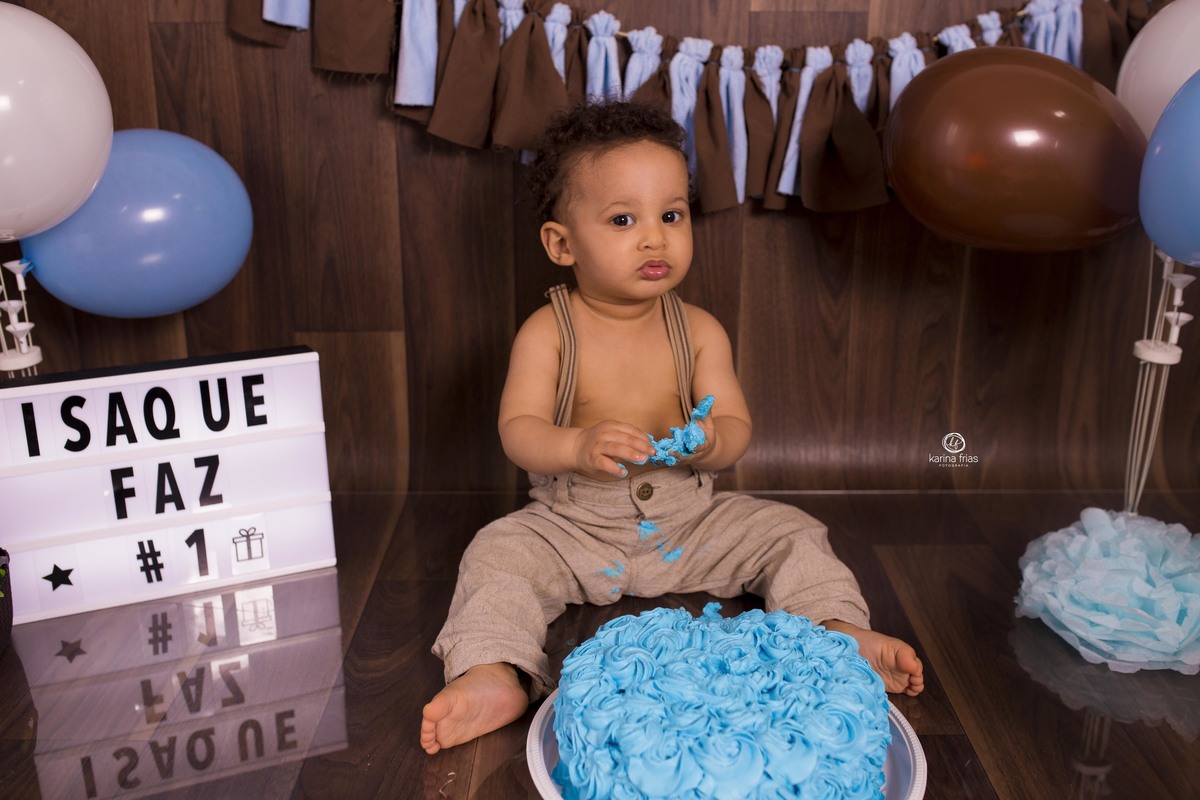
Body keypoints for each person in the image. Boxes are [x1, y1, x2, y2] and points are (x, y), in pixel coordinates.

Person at [420, 100, 924, 755]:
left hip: (690, 524)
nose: (654, 237)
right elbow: (518, 429)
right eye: (623, 219)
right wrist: (574, 444)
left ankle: (834, 630)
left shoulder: (699, 330)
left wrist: (716, 441)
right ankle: (495, 672)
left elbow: (735, 422)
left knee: (792, 531)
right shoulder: (549, 332)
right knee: (496, 556)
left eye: (672, 215)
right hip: (573, 527)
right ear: (562, 243)